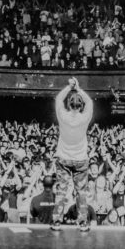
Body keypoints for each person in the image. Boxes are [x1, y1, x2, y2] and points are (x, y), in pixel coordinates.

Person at [52, 76, 93, 231]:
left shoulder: (62, 115)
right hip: (81, 159)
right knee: (81, 192)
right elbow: (90, 102)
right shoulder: (84, 117)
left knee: (61, 190)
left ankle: (56, 221)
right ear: (80, 105)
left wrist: (69, 87)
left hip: (63, 158)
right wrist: (79, 88)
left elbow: (58, 99)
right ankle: (82, 222)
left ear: (68, 104)